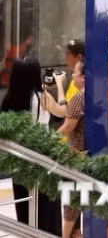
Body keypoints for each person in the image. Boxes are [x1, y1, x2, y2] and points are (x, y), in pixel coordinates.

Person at [2, 58, 66, 235]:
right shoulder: (42, 97)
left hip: (19, 162)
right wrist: (60, 85)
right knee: (46, 209)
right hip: (43, 159)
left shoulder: (9, 101)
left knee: (24, 205)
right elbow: (62, 111)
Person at [57, 61, 97, 238]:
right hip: (95, 155)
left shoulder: (78, 98)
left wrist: (44, 141)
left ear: (83, 77)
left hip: (76, 157)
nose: (72, 76)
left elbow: (67, 128)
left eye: (74, 73)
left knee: (71, 208)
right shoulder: (100, 95)